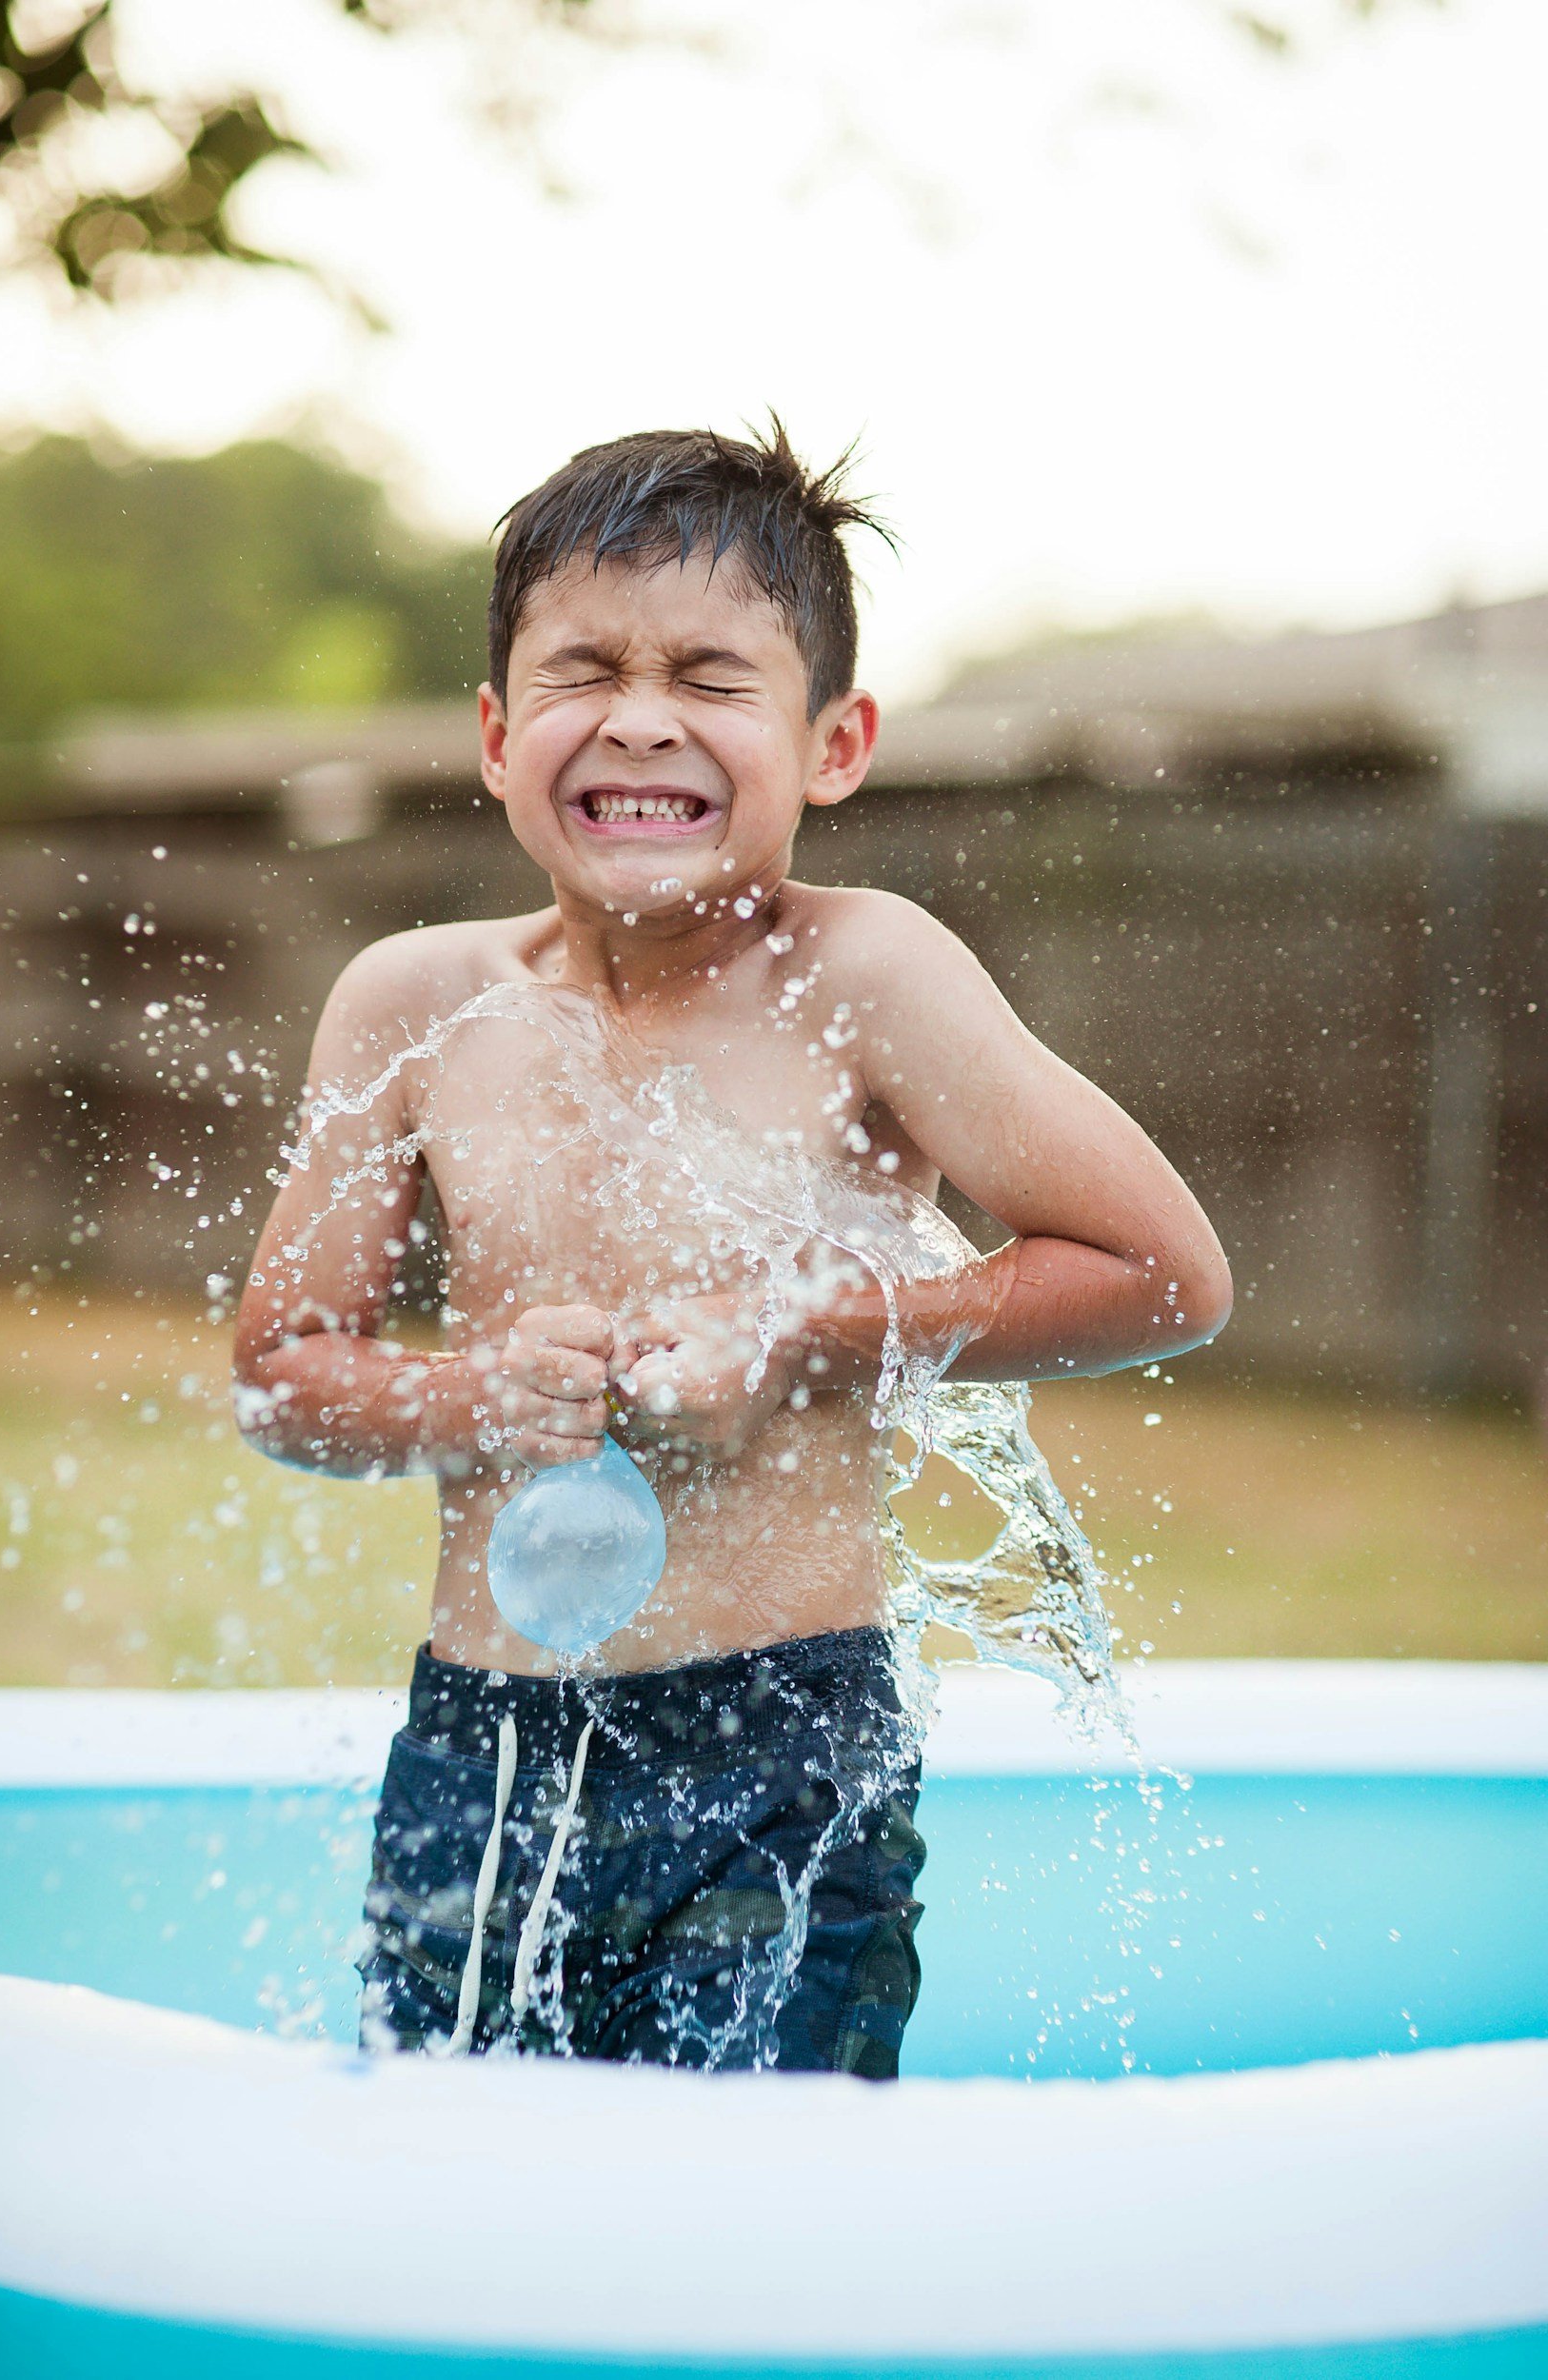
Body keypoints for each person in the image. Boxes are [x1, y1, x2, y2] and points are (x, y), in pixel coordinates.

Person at [232, 422, 1232, 2076]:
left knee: (763, 2239)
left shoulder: (868, 978)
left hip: (777, 1740)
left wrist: (815, 1336)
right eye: (583, 673)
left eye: (709, 676)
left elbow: (1162, 1275)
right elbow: (282, 1377)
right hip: (480, 1746)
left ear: (831, 743)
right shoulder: (416, 1004)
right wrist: (467, 1395)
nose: (639, 717)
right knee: (449, 2213)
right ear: (494, 735)